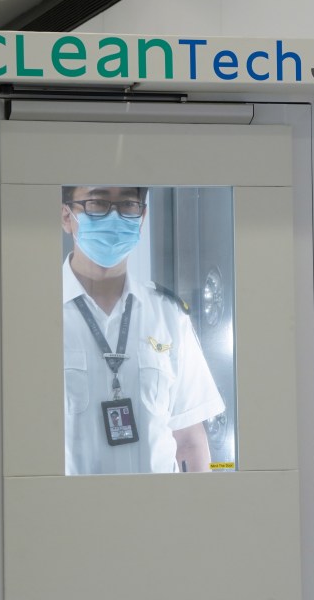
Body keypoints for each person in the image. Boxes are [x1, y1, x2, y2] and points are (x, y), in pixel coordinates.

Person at [62, 185, 225, 475]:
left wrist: (202, 516)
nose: (114, 216)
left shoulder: (169, 316)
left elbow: (188, 441)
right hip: (70, 514)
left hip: (160, 513)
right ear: (66, 216)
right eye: (97, 203)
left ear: (143, 216)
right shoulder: (38, 318)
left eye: (127, 205)